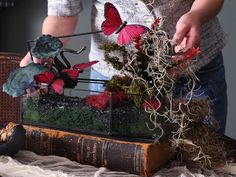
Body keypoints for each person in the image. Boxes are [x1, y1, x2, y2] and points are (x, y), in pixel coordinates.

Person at [20, 0, 227, 134]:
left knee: (201, 169)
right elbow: (62, 15)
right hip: (113, 81)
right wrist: (42, 49)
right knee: (117, 167)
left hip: (194, 72)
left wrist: (197, 14)